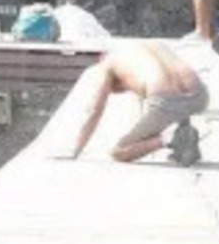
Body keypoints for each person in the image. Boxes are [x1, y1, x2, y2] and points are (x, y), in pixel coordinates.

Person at [69, 39, 207, 166]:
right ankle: (186, 139)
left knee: (118, 151)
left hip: (166, 102)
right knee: (173, 103)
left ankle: (170, 139)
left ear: (101, 58)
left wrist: (76, 150)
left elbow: (95, 110)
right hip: (201, 95)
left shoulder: (108, 64)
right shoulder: (154, 45)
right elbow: (176, 85)